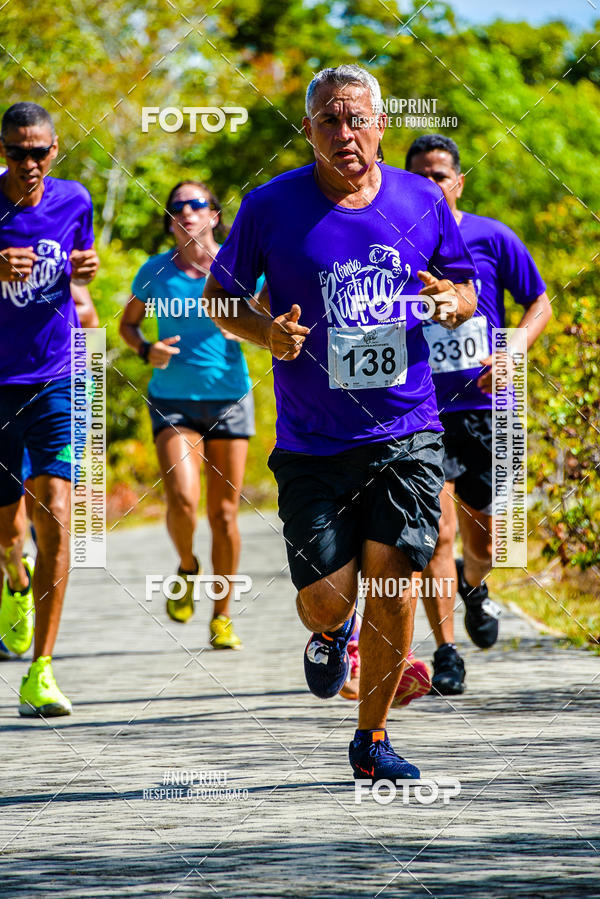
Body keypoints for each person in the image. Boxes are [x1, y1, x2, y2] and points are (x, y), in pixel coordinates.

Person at [203, 65, 477, 782]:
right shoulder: (269, 205)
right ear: (308, 129)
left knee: (394, 577)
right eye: (329, 119)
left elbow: (465, 287)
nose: (345, 132)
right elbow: (219, 298)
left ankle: (372, 736)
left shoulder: (423, 198)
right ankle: (331, 632)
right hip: (312, 439)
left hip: (406, 428)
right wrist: (266, 333)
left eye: (358, 118)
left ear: (381, 124)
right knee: (329, 594)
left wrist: (455, 302)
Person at [405, 134, 552, 694]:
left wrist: (513, 351)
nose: (431, 185)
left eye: (440, 175)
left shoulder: (492, 235)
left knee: (483, 540)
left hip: (486, 407)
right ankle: (446, 653)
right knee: (436, 536)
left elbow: (539, 301)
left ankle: (476, 585)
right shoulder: (394, 241)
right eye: (420, 176)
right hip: (420, 410)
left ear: (459, 181)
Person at [120, 180, 256, 650]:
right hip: (174, 400)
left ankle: (221, 615)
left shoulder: (238, 267)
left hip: (230, 398)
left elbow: (269, 314)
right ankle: (187, 566)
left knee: (223, 513)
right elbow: (128, 323)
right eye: (177, 206)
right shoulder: (155, 272)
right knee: (182, 497)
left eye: (197, 204)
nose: (187, 211)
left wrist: (252, 329)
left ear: (214, 215)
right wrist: (146, 349)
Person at [0, 102, 99, 714]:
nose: (29, 164)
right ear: (3, 151)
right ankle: (14, 581)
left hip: (56, 376)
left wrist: (83, 270)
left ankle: (42, 669)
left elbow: (80, 274)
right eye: (17, 152)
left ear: (55, 149)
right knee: (7, 525)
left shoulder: (76, 200)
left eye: (39, 152)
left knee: (56, 511)